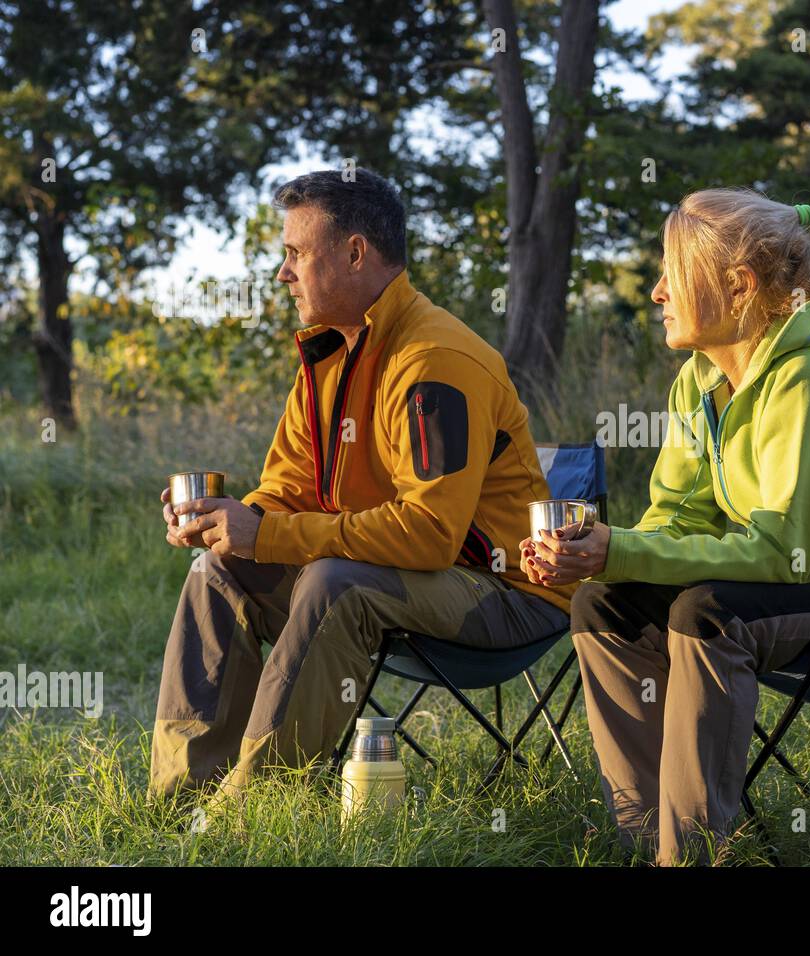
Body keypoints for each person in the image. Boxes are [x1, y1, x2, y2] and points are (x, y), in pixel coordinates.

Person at [521, 188, 810, 865]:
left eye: (672, 273)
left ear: (738, 286)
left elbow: (781, 554)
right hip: (804, 602)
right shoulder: (699, 380)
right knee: (605, 603)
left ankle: (691, 854)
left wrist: (619, 548)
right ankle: (645, 840)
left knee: (709, 614)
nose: (656, 292)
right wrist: (601, 556)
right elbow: (678, 517)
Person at [150, 168, 572, 810]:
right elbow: (288, 487)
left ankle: (260, 811)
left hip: (506, 592)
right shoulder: (329, 357)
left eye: (296, 253)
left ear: (355, 253)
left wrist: (269, 534)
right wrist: (229, 524)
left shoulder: (433, 363)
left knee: (334, 582)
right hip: (400, 580)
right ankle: (181, 801)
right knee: (219, 570)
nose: (283, 273)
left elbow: (431, 536)